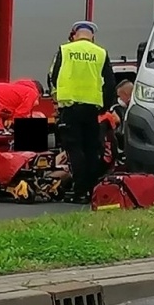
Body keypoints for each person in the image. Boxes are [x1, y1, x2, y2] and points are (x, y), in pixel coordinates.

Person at [49, 20, 118, 199]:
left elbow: (53, 76)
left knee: (74, 148)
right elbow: (110, 83)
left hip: (70, 108)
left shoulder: (65, 50)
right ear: (92, 36)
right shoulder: (100, 53)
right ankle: (92, 190)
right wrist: (104, 107)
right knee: (91, 149)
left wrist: (57, 99)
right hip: (92, 109)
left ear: (74, 34)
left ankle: (79, 191)